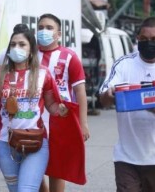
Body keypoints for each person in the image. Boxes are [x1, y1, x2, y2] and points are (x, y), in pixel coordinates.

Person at [0, 24, 68, 192]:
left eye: (21, 44)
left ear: (31, 49)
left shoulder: (43, 74)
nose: (16, 48)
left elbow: (52, 106)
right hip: (6, 145)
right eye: (13, 44)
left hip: (36, 143)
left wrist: (61, 109)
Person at [99, 17, 155, 192]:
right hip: (127, 159)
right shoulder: (124, 64)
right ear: (137, 38)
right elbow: (103, 99)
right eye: (144, 39)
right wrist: (109, 95)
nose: (149, 43)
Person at [37, 14, 89, 192]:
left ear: (58, 34)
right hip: (32, 118)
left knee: (57, 169)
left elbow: (80, 92)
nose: (44, 31)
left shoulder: (69, 57)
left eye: (49, 28)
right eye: (41, 27)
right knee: (33, 168)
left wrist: (83, 124)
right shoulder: (29, 55)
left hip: (61, 119)